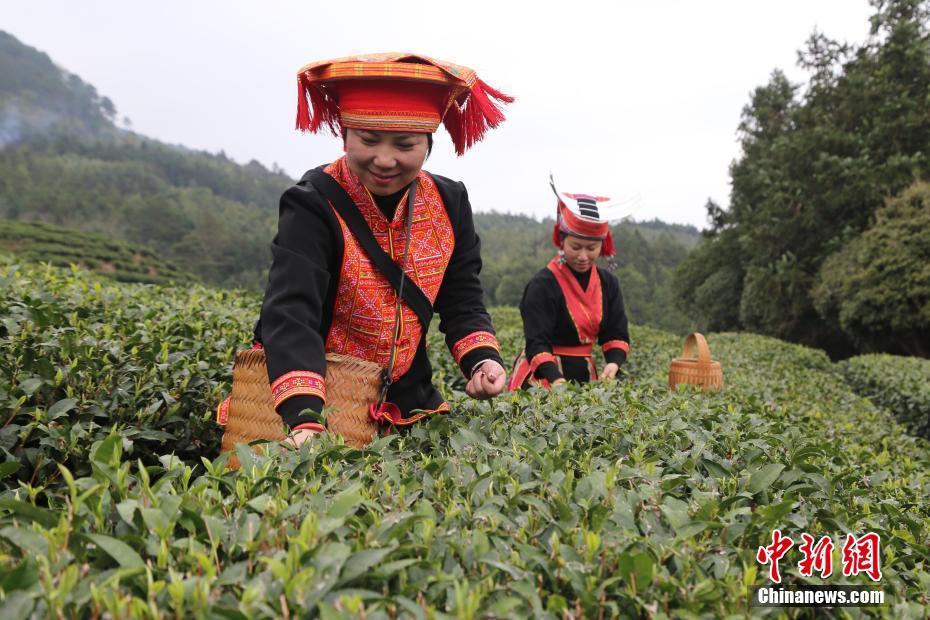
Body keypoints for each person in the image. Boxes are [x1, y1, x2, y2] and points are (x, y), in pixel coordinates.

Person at [256, 53, 513, 446]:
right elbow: (291, 311)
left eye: (405, 144)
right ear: (345, 137)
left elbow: (461, 295)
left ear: (428, 143)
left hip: (407, 402)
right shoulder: (312, 203)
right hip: (313, 400)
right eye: (369, 140)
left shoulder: (450, 200)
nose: (385, 160)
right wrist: (305, 415)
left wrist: (482, 360)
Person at [509, 180, 630, 389]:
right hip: (543, 376)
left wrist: (613, 363)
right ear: (561, 241)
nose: (583, 256)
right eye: (576, 247)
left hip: (585, 373)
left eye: (591, 248)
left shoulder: (608, 283)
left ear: (603, 245)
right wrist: (556, 378)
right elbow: (536, 342)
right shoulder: (542, 285)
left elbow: (615, 332)